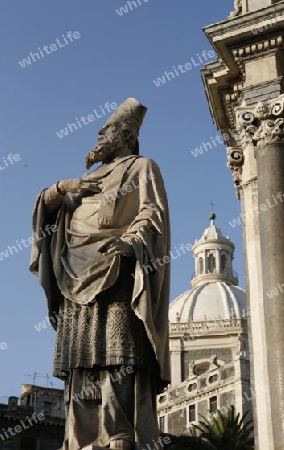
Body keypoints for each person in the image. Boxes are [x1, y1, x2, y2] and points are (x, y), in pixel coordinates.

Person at [30, 98, 171, 450]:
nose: (98, 134)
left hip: (117, 269)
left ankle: (119, 432)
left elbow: (151, 213)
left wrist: (130, 242)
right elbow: (44, 212)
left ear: (124, 134)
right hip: (73, 273)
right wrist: (62, 188)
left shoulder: (142, 167)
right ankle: (79, 436)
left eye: (105, 129)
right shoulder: (84, 179)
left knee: (118, 354)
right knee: (80, 359)